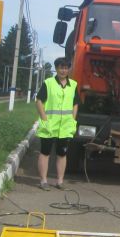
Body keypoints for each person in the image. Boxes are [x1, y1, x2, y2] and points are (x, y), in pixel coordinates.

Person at [35, 57, 79, 191]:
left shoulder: (73, 85)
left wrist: (73, 119)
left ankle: (60, 181)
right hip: (49, 126)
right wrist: (44, 119)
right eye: (61, 67)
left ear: (68, 69)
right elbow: (39, 101)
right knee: (45, 152)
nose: (63, 70)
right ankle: (43, 181)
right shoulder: (48, 83)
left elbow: (75, 104)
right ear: (56, 68)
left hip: (65, 127)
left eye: (66, 68)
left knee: (62, 154)